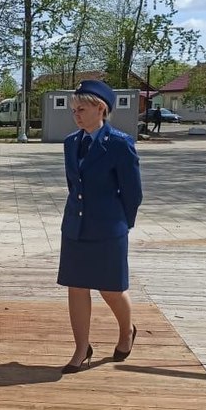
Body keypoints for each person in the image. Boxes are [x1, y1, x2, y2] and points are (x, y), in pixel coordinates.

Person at [59, 80, 143, 374]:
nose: (76, 115)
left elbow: (133, 193)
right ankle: (82, 348)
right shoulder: (71, 143)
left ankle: (126, 332)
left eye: (81, 109)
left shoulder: (120, 144)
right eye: (74, 110)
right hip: (76, 227)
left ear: (101, 109)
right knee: (77, 288)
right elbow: (74, 185)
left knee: (111, 289)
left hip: (109, 227)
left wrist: (122, 225)